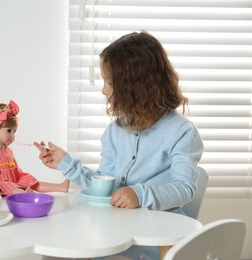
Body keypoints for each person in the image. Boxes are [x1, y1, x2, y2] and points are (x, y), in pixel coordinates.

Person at [35, 31, 204, 259]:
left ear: (136, 86)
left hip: (155, 241)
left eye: (109, 83)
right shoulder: (115, 132)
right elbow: (104, 188)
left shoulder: (181, 132)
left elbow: (184, 189)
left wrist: (140, 194)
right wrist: (65, 164)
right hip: (113, 236)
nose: (104, 90)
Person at [0, 100, 69, 196]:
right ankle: (27, 195)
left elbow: (16, 166)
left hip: (15, 177)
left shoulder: (8, 150)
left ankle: (60, 187)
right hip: (3, 181)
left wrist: (22, 178)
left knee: (33, 182)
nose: (12, 136)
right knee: (13, 188)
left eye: (14, 131)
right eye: (9, 131)